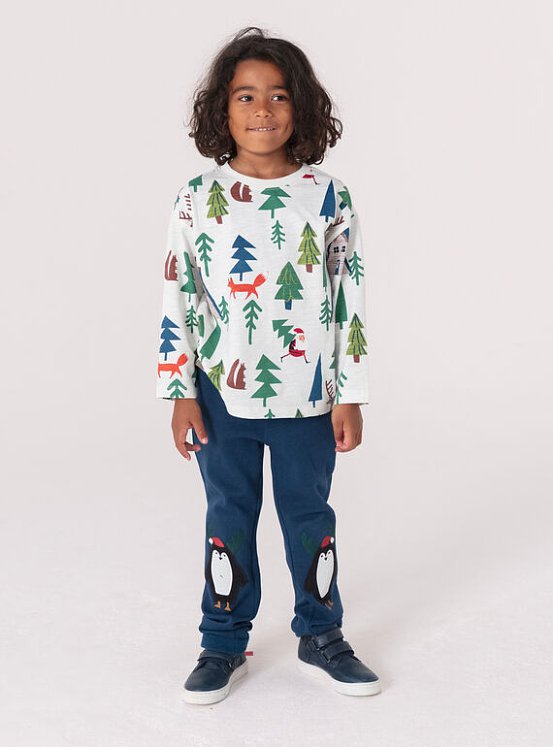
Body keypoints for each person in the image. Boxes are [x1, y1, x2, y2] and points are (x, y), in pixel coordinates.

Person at [156, 26, 381, 705]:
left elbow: (349, 294)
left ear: (301, 106)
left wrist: (350, 391)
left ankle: (321, 634)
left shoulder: (329, 196)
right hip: (219, 399)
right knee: (228, 514)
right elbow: (179, 294)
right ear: (221, 110)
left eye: (279, 95)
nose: (262, 109)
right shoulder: (197, 197)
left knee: (310, 516)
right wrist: (179, 389)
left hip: (308, 398)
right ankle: (222, 640)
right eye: (245, 96)